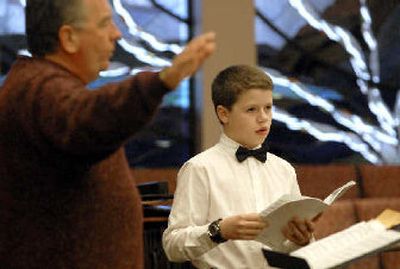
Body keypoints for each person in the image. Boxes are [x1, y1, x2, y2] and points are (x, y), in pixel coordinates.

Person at [0, 0, 215, 268]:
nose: (117, 33)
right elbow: (88, 119)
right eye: (104, 24)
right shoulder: (39, 91)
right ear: (68, 38)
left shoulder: (37, 85)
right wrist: (163, 81)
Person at [162, 65, 315, 268]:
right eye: (251, 109)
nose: (263, 117)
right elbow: (172, 245)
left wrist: (302, 241)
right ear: (224, 114)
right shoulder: (200, 168)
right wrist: (219, 230)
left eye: (268, 108)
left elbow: (289, 250)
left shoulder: (284, 170)